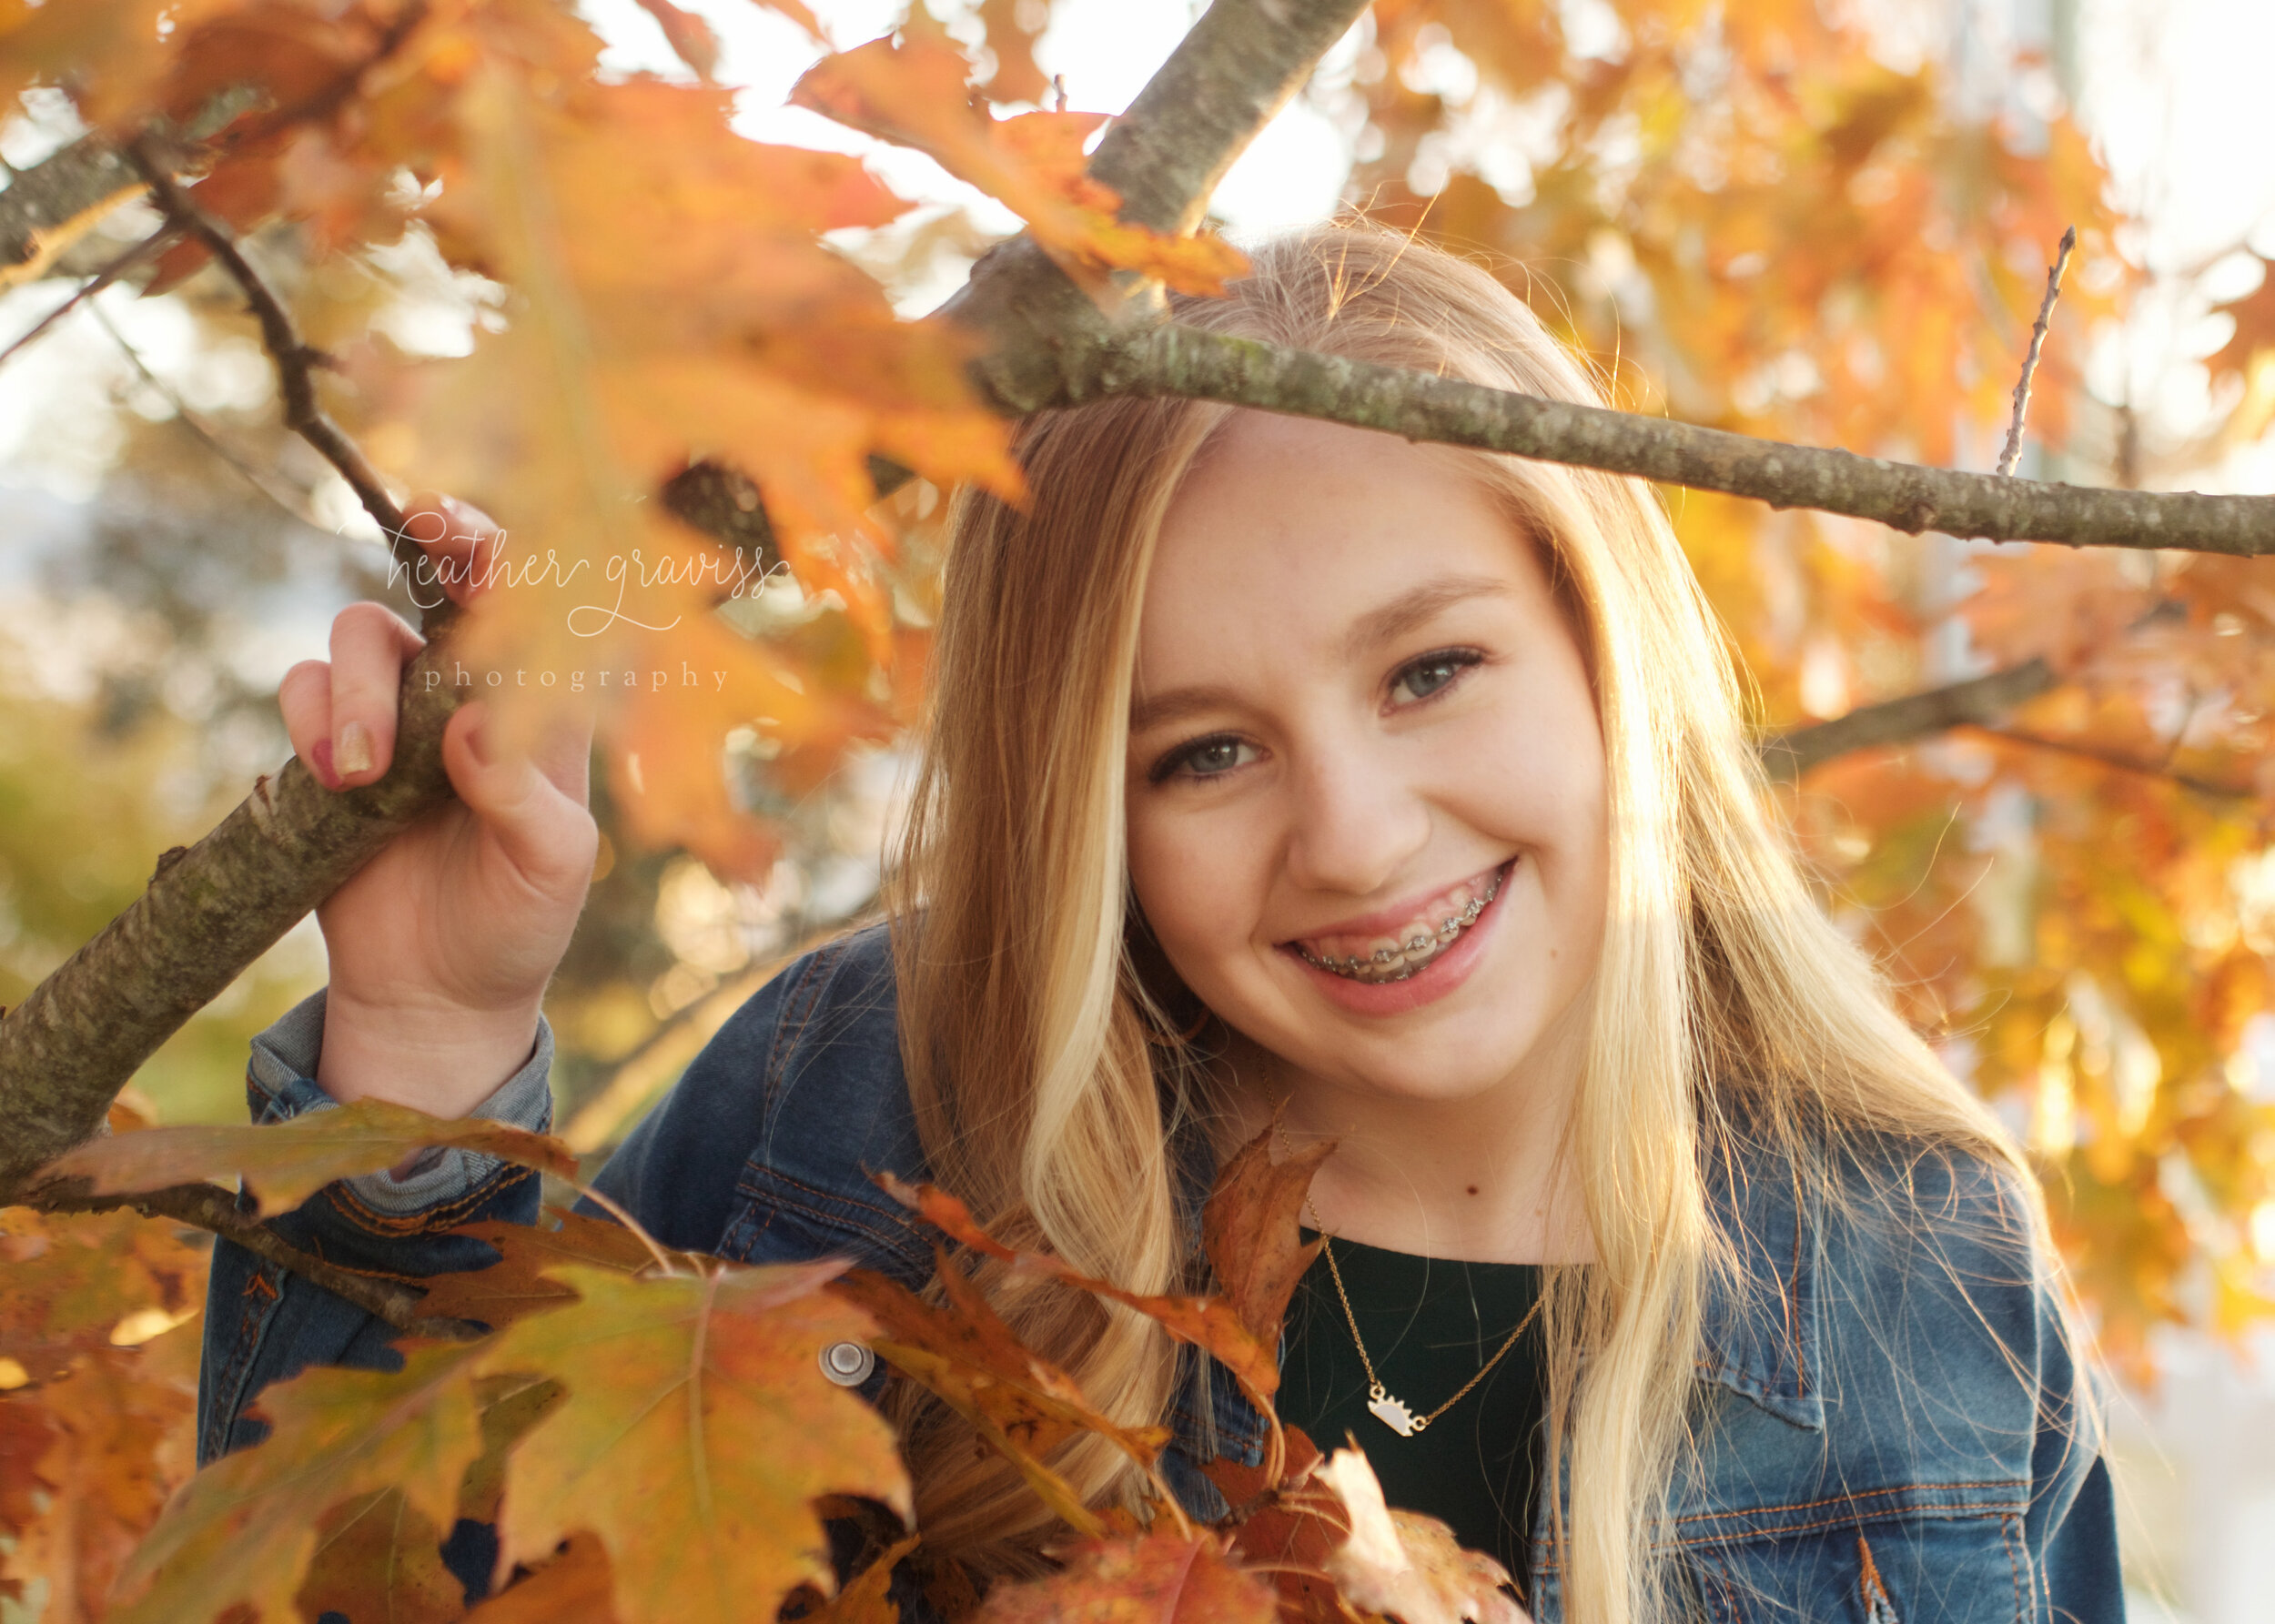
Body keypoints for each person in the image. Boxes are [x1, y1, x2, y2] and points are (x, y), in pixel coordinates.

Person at [199, 222, 2123, 1624]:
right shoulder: (865, 1107)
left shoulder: (1917, 1271)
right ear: (1079, 816)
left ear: (1601, 642)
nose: (1355, 840)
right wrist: (431, 1042)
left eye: (1430, 668)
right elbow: (350, 1589)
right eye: (1200, 754)